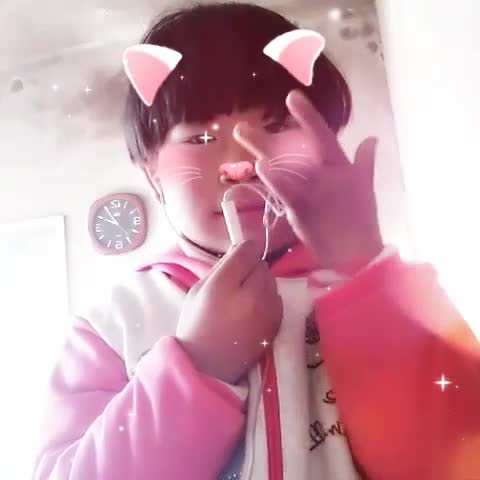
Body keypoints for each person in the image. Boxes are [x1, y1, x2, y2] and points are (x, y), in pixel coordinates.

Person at [33, 3, 480, 480]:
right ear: (152, 174)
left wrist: (365, 275)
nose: (241, 165)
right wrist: (199, 366)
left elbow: (461, 456)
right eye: (200, 139)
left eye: (277, 126)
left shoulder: (383, 289)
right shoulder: (110, 326)